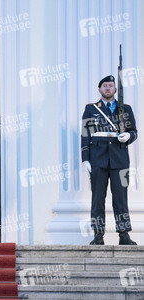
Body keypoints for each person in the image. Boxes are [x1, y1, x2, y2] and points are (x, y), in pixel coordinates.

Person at [81, 75, 137, 245]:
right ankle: (98, 235)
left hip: (120, 160)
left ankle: (124, 234)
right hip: (98, 160)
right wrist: (85, 158)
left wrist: (128, 136)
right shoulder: (91, 109)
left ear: (115, 89)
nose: (107, 88)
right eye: (104, 85)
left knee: (121, 200)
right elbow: (85, 135)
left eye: (110, 86)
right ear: (99, 89)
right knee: (98, 199)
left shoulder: (125, 109)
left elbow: (133, 131)